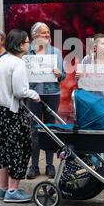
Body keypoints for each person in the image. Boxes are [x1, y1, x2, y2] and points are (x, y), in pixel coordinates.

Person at [0, 29, 40, 203]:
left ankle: (2, 188)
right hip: (11, 112)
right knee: (21, 147)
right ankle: (13, 190)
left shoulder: (2, 60)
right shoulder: (18, 63)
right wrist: (34, 95)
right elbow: (19, 91)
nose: (29, 44)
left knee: (3, 148)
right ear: (19, 45)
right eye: (27, 42)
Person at [75, 33, 104, 167]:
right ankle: (94, 165)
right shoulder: (86, 60)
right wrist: (78, 77)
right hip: (92, 104)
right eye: (103, 43)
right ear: (95, 47)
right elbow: (81, 84)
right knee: (92, 134)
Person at [26, 22, 65, 179]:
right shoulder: (28, 53)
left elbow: (63, 76)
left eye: (48, 32)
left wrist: (58, 74)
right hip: (33, 95)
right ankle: (34, 166)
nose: (48, 35)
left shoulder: (55, 52)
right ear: (35, 36)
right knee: (33, 131)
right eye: (44, 33)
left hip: (52, 94)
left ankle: (50, 165)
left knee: (50, 130)